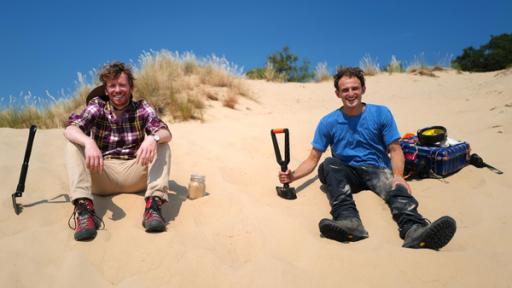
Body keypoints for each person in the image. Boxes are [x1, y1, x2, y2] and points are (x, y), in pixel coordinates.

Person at [278, 67, 456, 250]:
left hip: (377, 169)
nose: (351, 93)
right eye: (345, 90)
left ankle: (415, 230)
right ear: (337, 93)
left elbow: (395, 150)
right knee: (328, 165)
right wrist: (292, 177)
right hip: (346, 173)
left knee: (397, 189)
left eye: (355, 88)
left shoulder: (381, 114)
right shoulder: (328, 122)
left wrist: (398, 176)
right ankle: (349, 222)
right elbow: (313, 158)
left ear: (363, 89)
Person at [64, 62, 172, 241]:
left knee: (162, 143)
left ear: (131, 87)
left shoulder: (142, 108)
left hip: (135, 171)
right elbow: (70, 129)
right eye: (112, 86)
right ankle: (84, 210)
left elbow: (165, 132)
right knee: (73, 144)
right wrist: (88, 141)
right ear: (106, 90)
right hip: (102, 173)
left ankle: (153, 207)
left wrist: (153, 138)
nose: (117, 90)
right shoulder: (97, 106)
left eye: (122, 85)